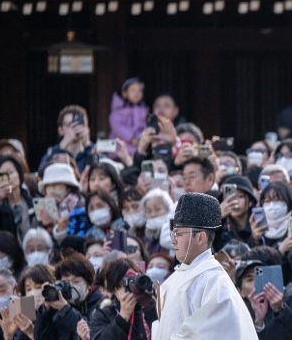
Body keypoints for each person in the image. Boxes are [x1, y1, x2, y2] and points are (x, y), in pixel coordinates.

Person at [151, 192, 257, 339]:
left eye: (179, 234)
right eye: (173, 234)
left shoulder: (215, 283)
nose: (173, 241)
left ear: (200, 237)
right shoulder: (174, 279)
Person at [39, 105, 95, 173]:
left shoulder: (93, 151)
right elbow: (41, 172)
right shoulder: (52, 152)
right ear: (60, 130)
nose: (76, 128)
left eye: (81, 124)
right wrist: (62, 146)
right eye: (70, 125)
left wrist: (88, 146)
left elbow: (101, 173)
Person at [109, 78, 149, 156]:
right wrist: (131, 138)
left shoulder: (143, 109)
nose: (136, 94)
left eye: (139, 91)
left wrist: (142, 137)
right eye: (133, 90)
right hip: (120, 149)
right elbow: (117, 127)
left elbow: (144, 125)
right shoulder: (118, 110)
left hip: (137, 147)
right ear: (125, 93)